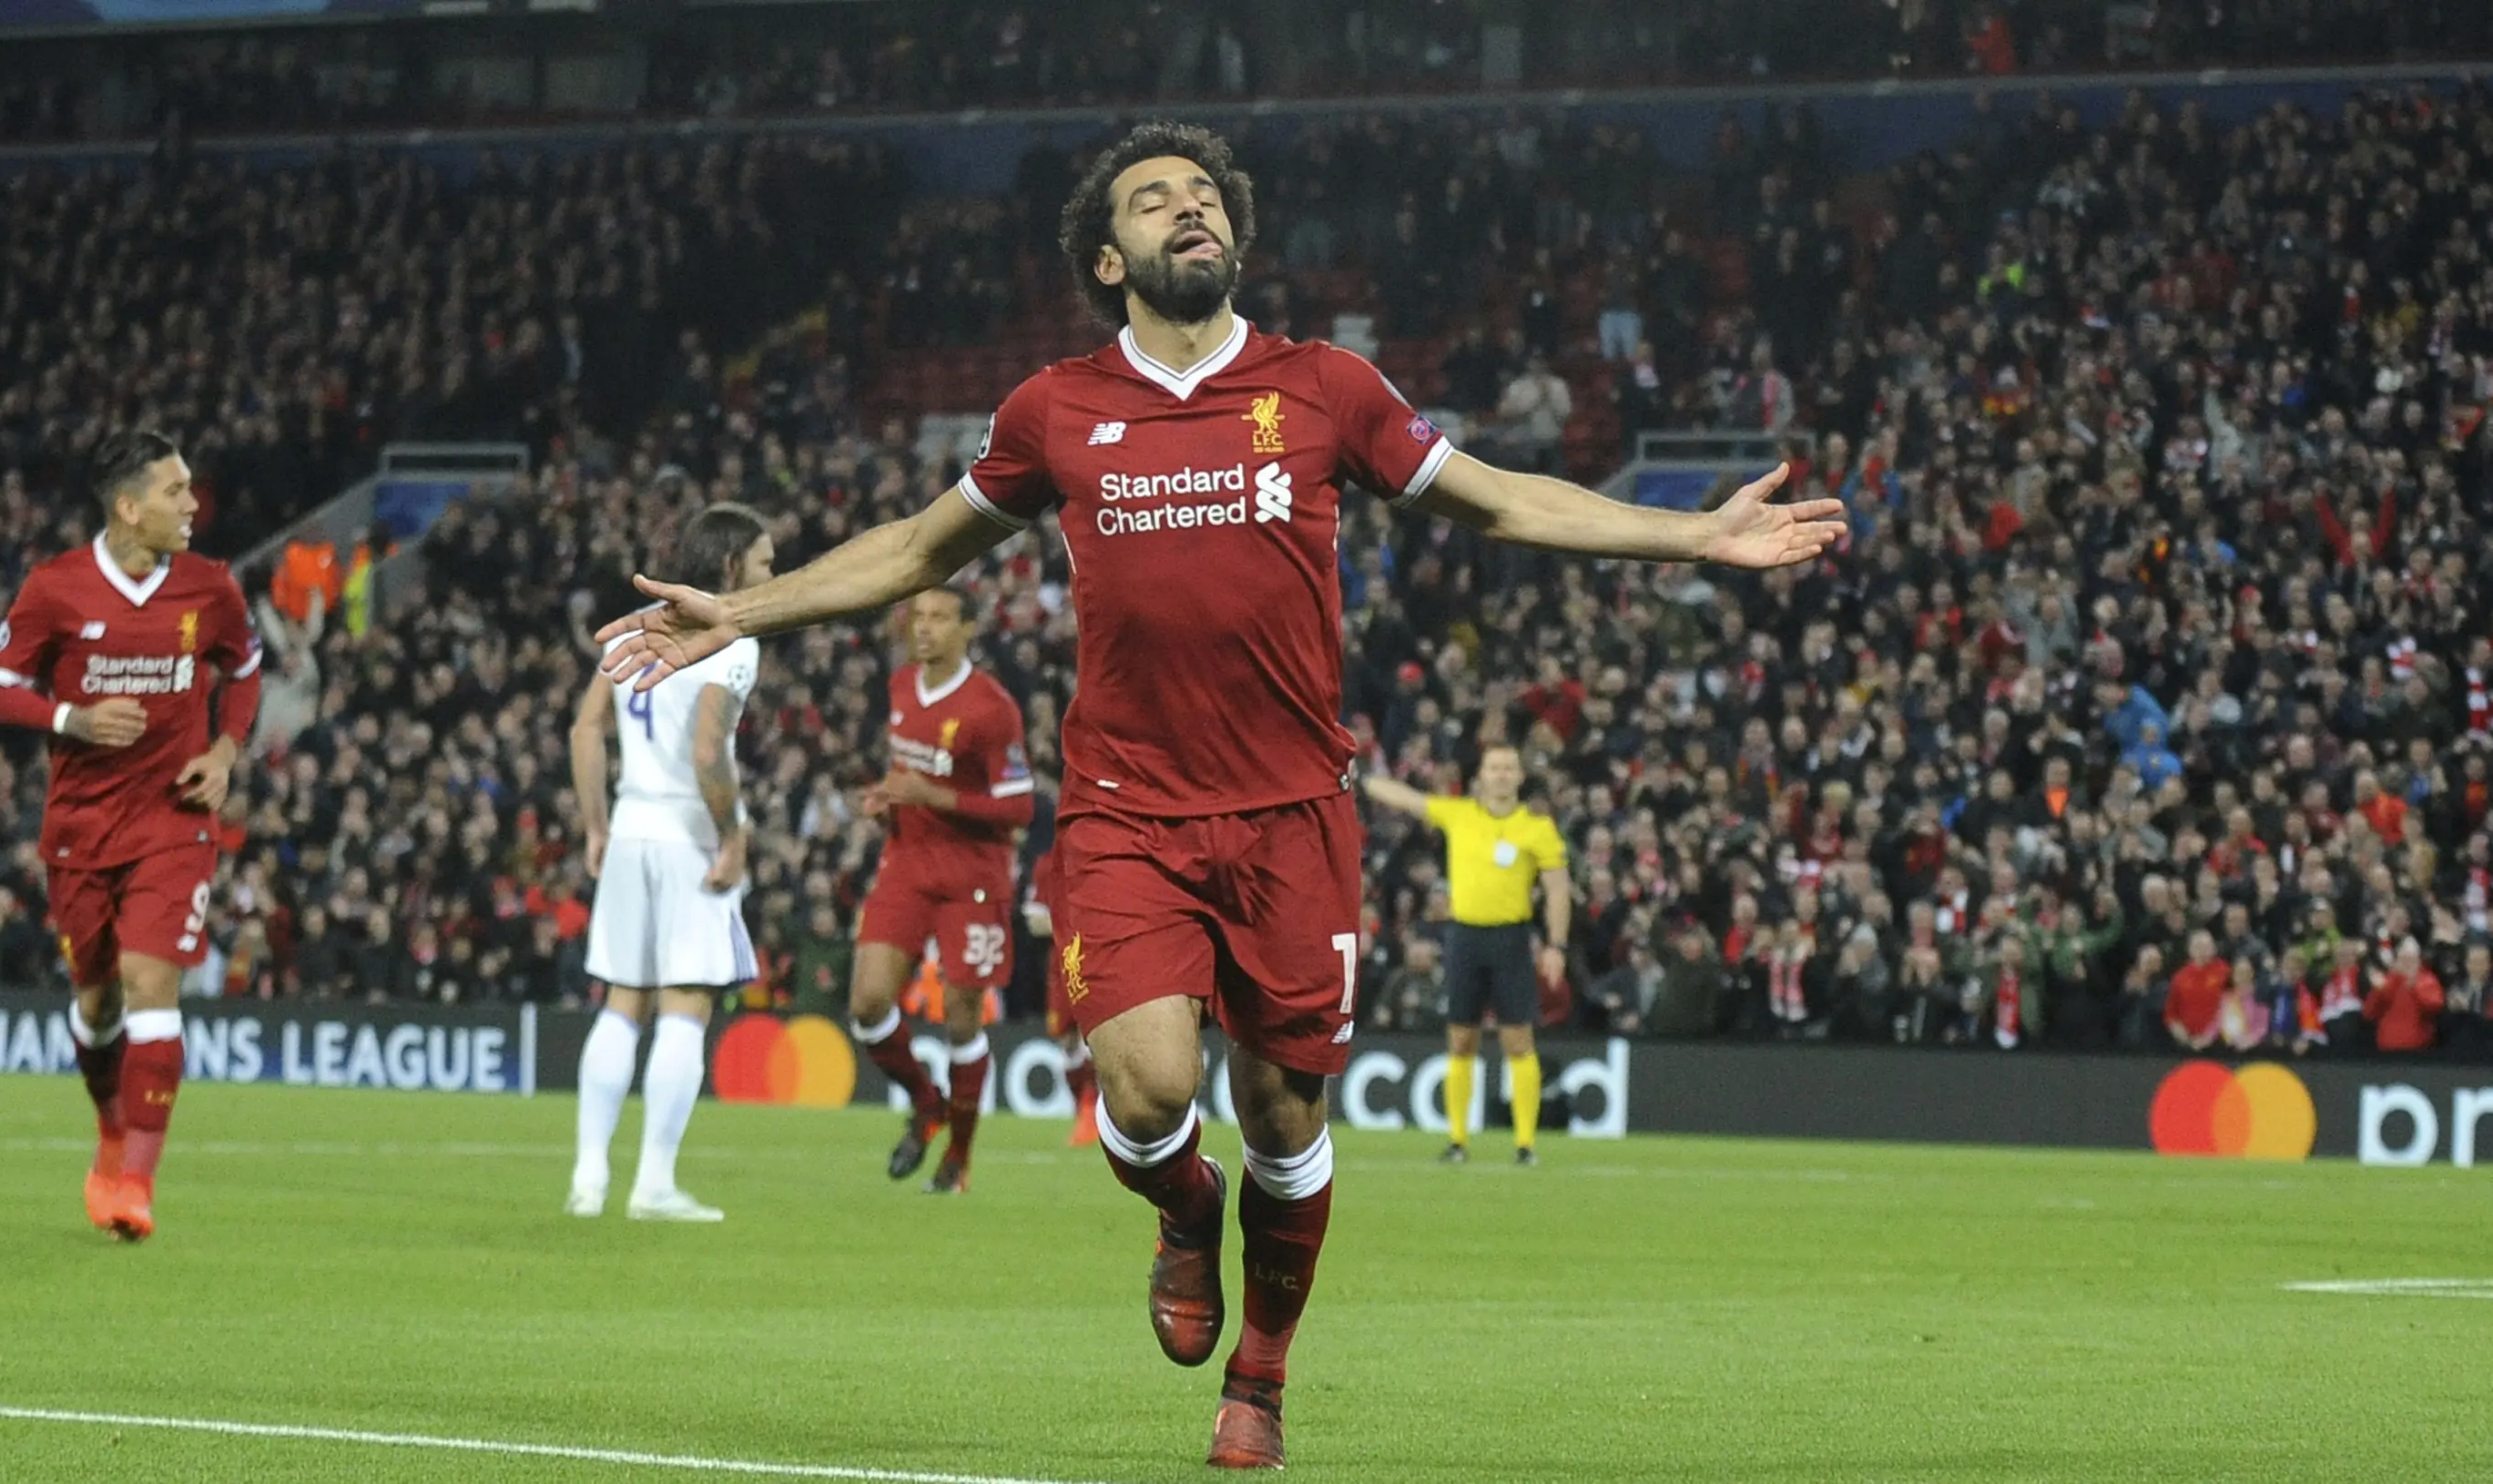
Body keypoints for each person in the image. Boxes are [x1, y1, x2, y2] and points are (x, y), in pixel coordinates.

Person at [593, 120, 1841, 1469]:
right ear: (1107, 257)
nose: (1188, 210)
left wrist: (1695, 532)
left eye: (1204, 196)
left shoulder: (1322, 386)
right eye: (1154, 200)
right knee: (1142, 1093)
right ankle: (1185, 1215)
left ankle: (1261, 1373)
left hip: (1298, 812)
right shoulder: (1054, 408)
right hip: (1127, 814)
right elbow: (911, 548)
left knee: (1290, 1120)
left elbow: (1493, 500)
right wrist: (742, 609)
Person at [0, 429, 262, 1241]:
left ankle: (136, 1181)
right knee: (97, 1002)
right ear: (128, 507)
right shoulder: (56, 587)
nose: (193, 505)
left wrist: (224, 751)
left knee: (151, 984)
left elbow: (242, 671)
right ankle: (110, 1134)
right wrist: (71, 716)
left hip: (174, 820)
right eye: (176, 492)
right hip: (80, 829)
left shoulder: (211, 588)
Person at [565, 503, 774, 1223]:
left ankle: (588, 1177)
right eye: (765, 563)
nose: (771, 575)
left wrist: (597, 825)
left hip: (629, 828)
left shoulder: (641, 627)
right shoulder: (730, 641)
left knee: (623, 1002)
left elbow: (586, 729)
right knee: (685, 1006)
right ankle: (652, 1183)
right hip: (688, 838)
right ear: (728, 568)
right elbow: (709, 750)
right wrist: (733, 837)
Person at [844, 587, 1035, 1194]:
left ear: (967, 629)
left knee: (959, 1021)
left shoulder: (991, 708)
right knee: (868, 1003)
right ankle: (927, 1104)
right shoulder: (901, 686)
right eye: (917, 617)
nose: (923, 629)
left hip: (972, 880)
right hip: (905, 864)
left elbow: (1021, 806)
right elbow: (910, 775)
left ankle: (957, 1158)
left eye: (938, 619)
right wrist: (885, 798)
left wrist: (934, 798)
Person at [1361, 745, 1571, 1166]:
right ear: (1482, 777)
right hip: (1465, 938)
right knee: (1460, 1039)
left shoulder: (1537, 828)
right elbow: (1407, 799)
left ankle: (1525, 1145)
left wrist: (1556, 945)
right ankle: (1458, 1141)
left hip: (1511, 937)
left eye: (1509, 766)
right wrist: (1358, 775)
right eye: (1495, 767)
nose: (1502, 774)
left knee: (1518, 1040)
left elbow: (1558, 888)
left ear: (1518, 777)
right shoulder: (1460, 814)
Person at [1023, 846, 1102, 1148]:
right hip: (1062, 965)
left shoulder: (1102, 856)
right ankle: (1082, 1108)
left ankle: (1094, 1110)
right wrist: (1070, 925)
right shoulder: (1047, 864)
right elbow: (1034, 921)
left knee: (1095, 1037)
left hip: (1099, 960)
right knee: (1067, 1039)